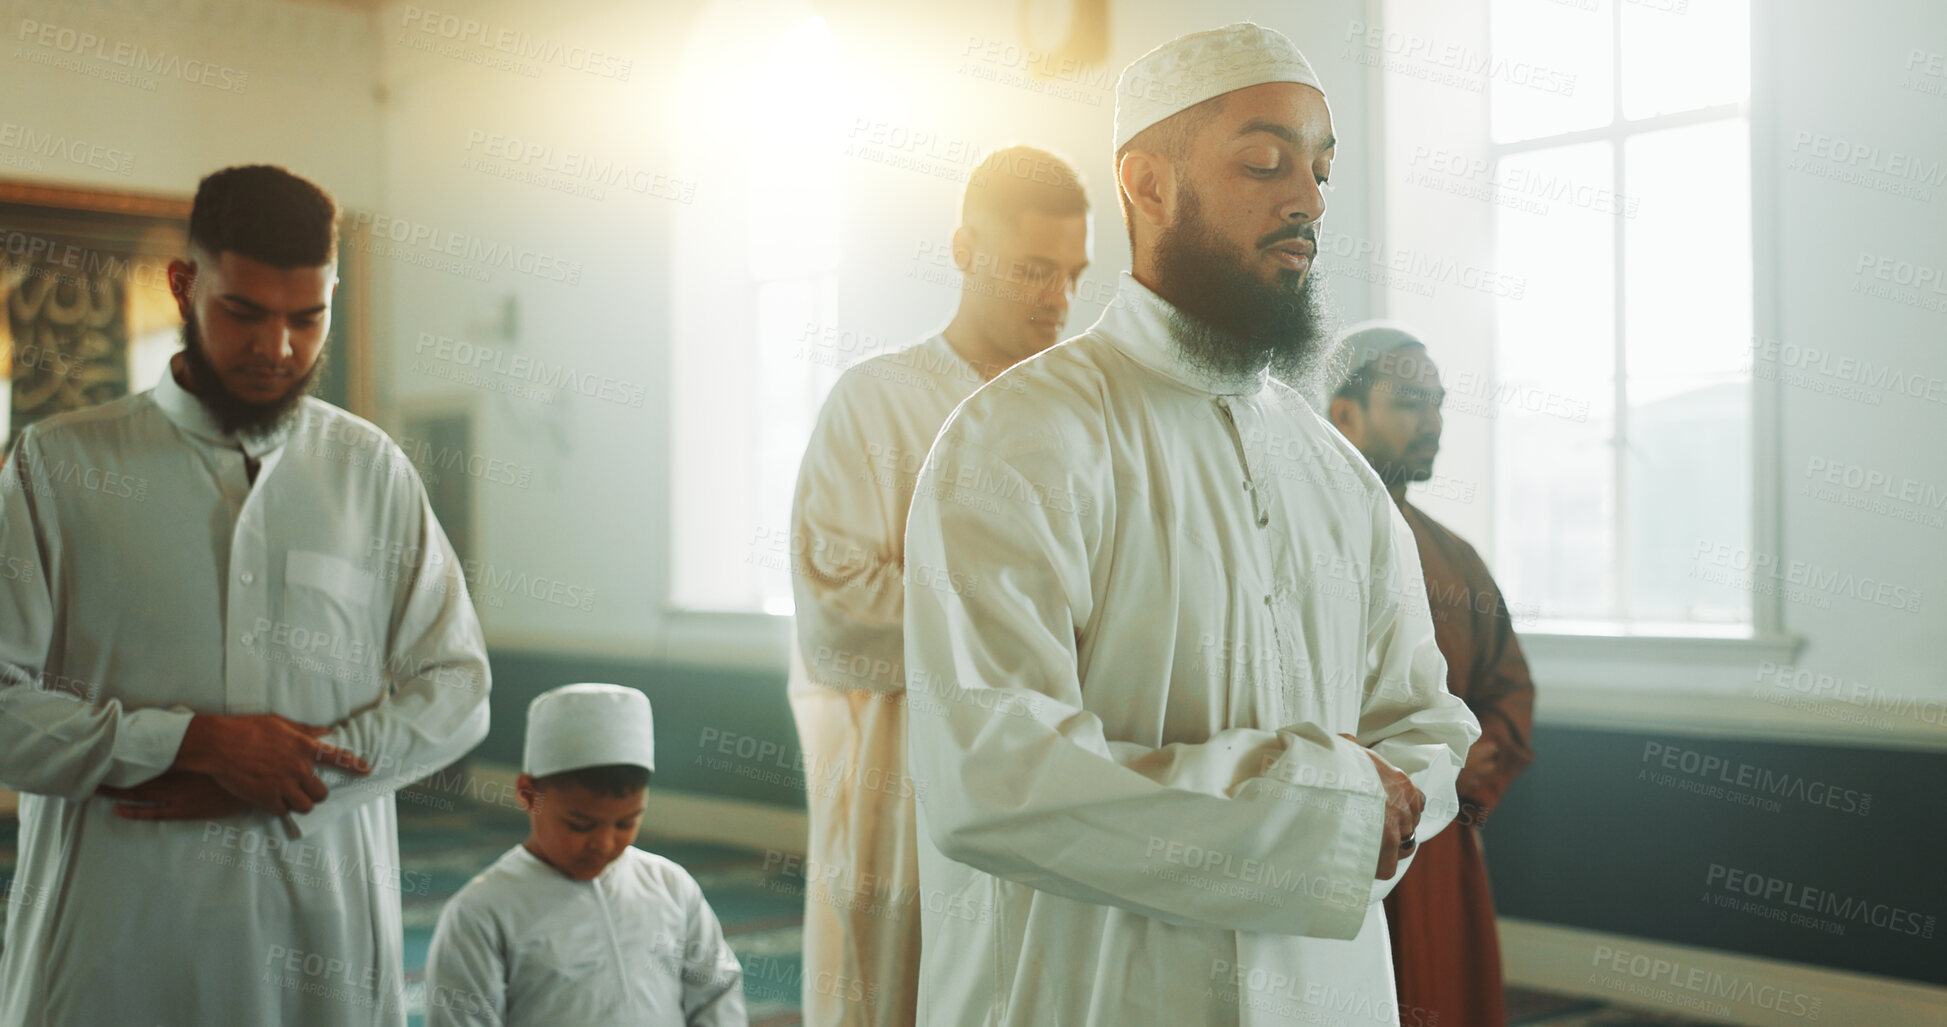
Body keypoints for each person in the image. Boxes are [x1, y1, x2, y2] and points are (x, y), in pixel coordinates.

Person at [901, 23, 1480, 1027]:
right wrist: (1324, 813)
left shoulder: (1336, 473)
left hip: (1324, 992)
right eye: (1265, 162)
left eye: (1322, 172)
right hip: (1091, 991)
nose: (1306, 200)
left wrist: (1379, 809)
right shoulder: (1019, 436)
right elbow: (992, 777)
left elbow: (1424, 724)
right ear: (1148, 183)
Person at [0, 164, 491, 1025]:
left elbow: (458, 688)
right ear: (185, 286)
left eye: (309, 318)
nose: (279, 348)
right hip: (116, 932)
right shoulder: (60, 467)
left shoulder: (369, 470)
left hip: (322, 936)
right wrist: (188, 743)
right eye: (246, 313)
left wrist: (291, 777)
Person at [787, 144, 1092, 1025]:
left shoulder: (1081, 414)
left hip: (1062, 772)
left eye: (1073, 273)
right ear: (962, 249)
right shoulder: (877, 399)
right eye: (1034, 269)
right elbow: (839, 606)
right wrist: (1023, 630)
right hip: (911, 779)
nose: (1059, 298)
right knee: (904, 993)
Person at [1328, 322, 1537, 1027]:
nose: (1433, 421)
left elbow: (1508, 685)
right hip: (1341, 835)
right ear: (1342, 413)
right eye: (1410, 401)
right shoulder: (1301, 539)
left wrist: (1461, 769)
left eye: (1439, 401)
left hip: (1441, 840)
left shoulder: (1454, 557)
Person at [423, 683, 745, 1026]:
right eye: (580, 825)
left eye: (626, 822)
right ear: (528, 794)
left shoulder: (672, 887)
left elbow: (716, 995)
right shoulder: (483, 913)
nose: (604, 844)